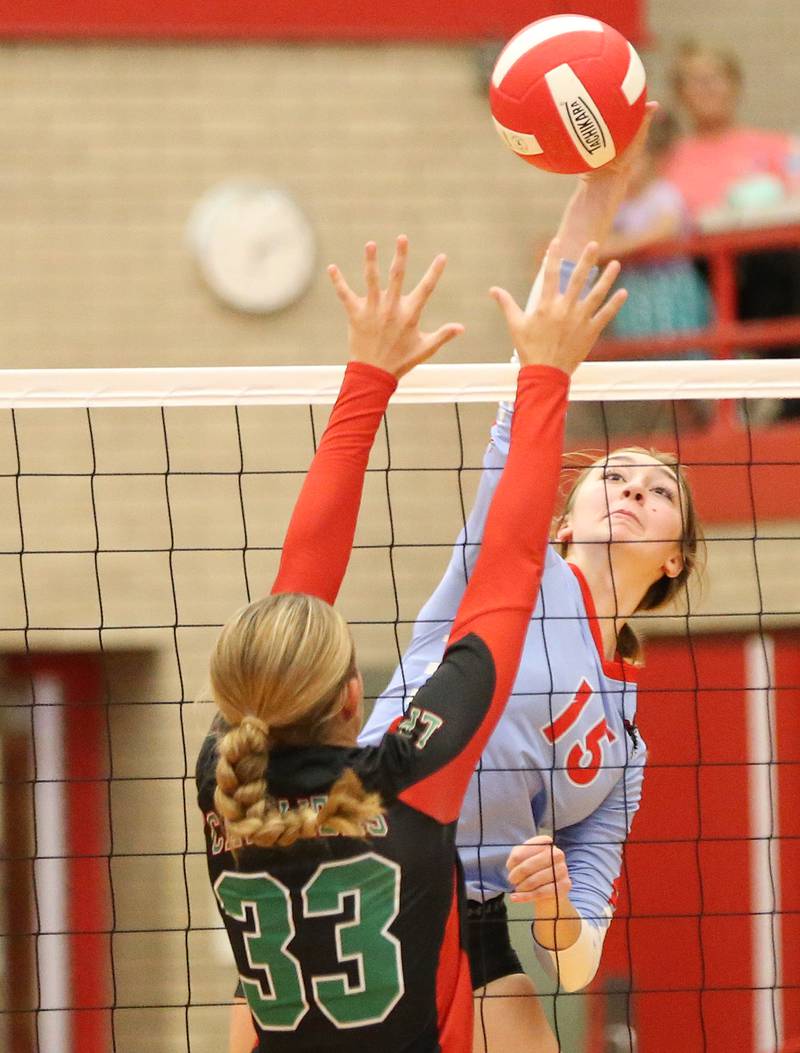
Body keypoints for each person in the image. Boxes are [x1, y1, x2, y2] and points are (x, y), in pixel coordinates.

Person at [198, 233, 627, 1053]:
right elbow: (497, 577)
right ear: (353, 697)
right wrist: (388, 374)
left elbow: (500, 574)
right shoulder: (401, 781)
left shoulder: (230, 775)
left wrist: (545, 375)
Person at [361, 111, 706, 1053]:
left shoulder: (626, 738)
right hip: (363, 851)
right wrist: (601, 186)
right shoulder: (515, 557)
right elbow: (537, 363)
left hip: (474, 904)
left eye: (660, 487)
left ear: (674, 557)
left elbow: (582, 959)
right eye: (615, 473)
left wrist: (553, 907)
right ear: (561, 515)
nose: (635, 485)